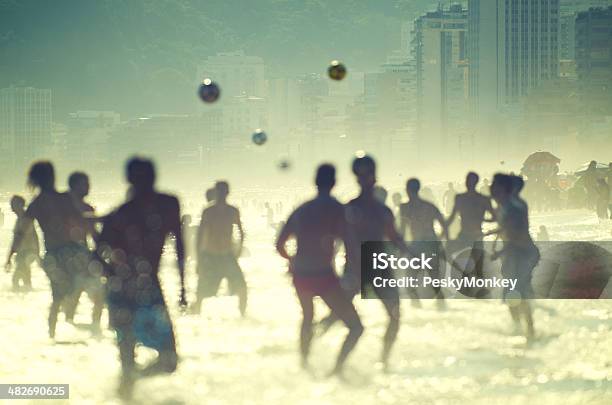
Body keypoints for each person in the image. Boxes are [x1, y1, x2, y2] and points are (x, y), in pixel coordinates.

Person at [96, 157, 187, 398]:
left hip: (147, 287)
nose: (146, 183)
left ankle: (125, 386)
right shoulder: (120, 215)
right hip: (123, 290)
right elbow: (97, 256)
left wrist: (184, 289)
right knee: (128, 357)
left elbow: (180, 248)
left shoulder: (168, 204)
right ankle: (125, 390)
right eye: (141, 178)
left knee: (169, 361)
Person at [322, 156, 408, 370]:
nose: (365, 179)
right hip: (359, 270)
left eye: (367, 174)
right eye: (362, 175)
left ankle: (382, 361)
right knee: (339, 317)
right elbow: (335, 241)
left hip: (371, 270)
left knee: (394, 315)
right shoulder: (356, 209)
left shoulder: (376, 211)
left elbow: (396, 239)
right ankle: (333, 364)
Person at [276, 164, 363, 375]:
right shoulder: (337, 209)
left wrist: (292, 260)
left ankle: (304, 366)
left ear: (315, 182)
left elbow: (279, 244)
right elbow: (350, 244)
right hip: (323, 275)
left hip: (301, 274)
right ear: (334, 182)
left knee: (307, 317)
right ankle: (337, 370)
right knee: (355, 326)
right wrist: (356, 274)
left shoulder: (302, 209)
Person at [6, 161, 90, 339]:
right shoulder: (65, 198)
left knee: (57, 297)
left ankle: (52, 336)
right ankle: (77, 326)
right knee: (79, 289)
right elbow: (82, 223)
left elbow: (20, 234)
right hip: (74, 251)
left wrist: (9, 256)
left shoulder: (36, 204)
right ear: (52, 177)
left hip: (54, 255)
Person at [486, 174, 539, 342]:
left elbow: (516, 235)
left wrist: (499, 253)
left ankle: (529, 332)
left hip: (522, 253)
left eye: (496, 185)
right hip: (514, 253)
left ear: (504, 189)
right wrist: (493, 235)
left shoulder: (513, 207)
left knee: (517, 292)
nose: (491, 188)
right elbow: (506, 229)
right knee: (512, 292)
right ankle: (519, 330)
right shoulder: (504, 206)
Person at [192, 181, 247, 316]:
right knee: (203, 292)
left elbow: (241, 232)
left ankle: (243, 317)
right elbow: (200, 236)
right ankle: (195, 316)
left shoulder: (232, 211)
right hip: (211, 256)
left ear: (227, 193)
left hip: (227, 255)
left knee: (242, 288)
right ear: (215, 193)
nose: (222, 194)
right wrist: (199, 259)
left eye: (223, 191)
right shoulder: (208, 212)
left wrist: (238, 250)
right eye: (219, 192)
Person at [63, 171, 104, 331]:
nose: (89, 187)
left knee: (96, 296)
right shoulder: (64, 209)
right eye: (85, 184)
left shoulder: (88, 208)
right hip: (68, 257)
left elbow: (93, 235)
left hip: (84, 256)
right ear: (74, 186)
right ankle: (69, 328)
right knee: (74, 296)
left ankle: (94, 328)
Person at [400, 178, 448, 305]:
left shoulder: (405, 208)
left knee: (410, 279)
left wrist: (400, 249)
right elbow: (444, 226)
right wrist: (440, 241)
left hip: (416, 245)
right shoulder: (429, 206)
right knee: (435, 280)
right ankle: (441, 308)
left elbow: (402, 231)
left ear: (407, 190)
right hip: (431, 243)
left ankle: (416, 310)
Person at [446, 172, 495, 291]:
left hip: (465, 234)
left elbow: (452, 217)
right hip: (475, 234)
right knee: (477, 262)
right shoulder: (483, 199)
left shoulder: (461, 198)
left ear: (467, 182)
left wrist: (445, 233)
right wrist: (481, 219)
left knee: (450, 254)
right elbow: (495, 217)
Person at [5, 195, 40, 291]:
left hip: (25, 253)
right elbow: (35, 236)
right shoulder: (24, 218)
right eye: (11, 205)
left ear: (20, 205)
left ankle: (19, 300)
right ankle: (28, 298)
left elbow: (17, 239)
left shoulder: (23, 219)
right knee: (26, 279)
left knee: (15, 279)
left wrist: (9, 258)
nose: (12, 207)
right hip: (27, 253)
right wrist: (37, 253)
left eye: (13, 204)